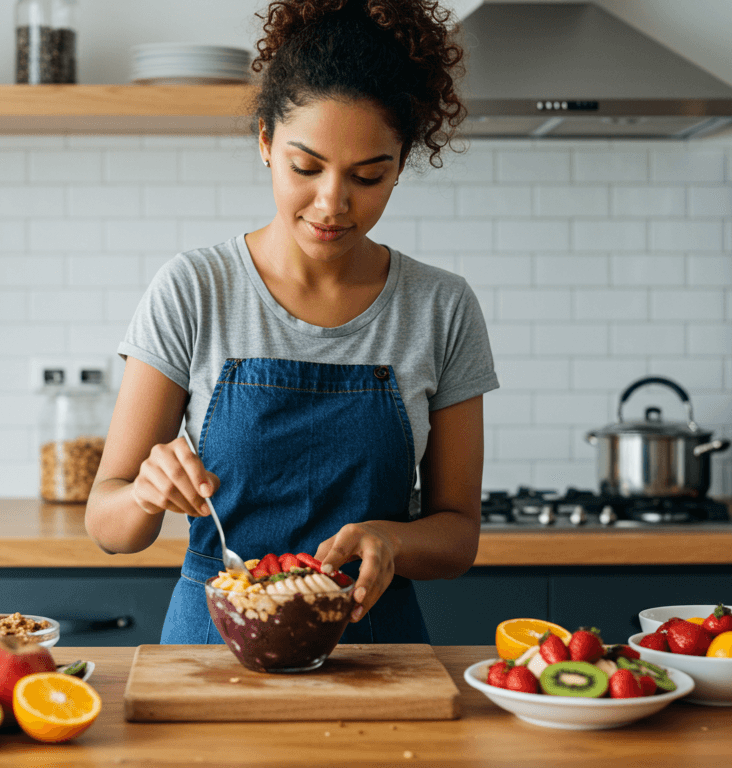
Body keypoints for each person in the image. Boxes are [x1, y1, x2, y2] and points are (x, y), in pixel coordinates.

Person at [85, 0, 498, 644]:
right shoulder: (194, 289)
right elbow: (108, 527)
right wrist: (144, 492)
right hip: (213, 656)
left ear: (400, 164)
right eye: (305, 167)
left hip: (374, 655)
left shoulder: (441, 307)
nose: (332, 203)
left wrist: (391, 540)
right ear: (265, 143)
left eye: (368, 175)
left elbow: (457, 536)